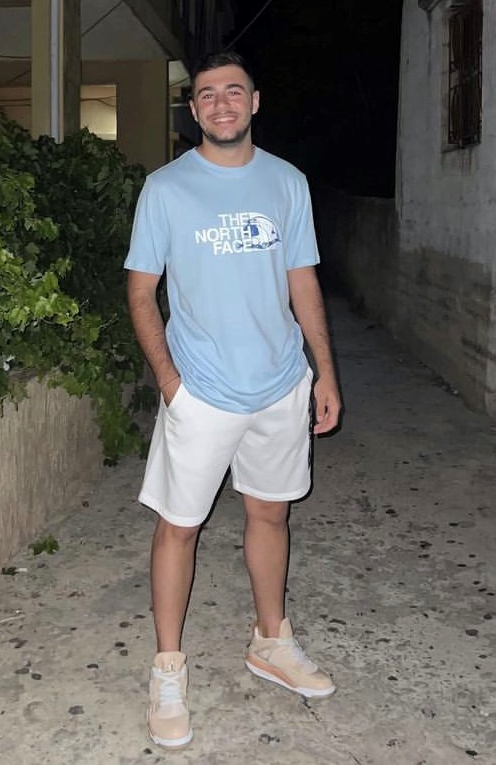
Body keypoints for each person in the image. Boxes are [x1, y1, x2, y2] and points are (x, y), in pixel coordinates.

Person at [124, 50, 342, 749]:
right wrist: (170, 383)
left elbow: (302, 280)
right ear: (194, 110)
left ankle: (270, 641)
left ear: (255, 101)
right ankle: (167, 669)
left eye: (234, 91)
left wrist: (324, 372)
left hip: (279, 384)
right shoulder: (166, 188)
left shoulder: (287, 182)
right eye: (208, 94)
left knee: (271, 514)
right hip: (203, 391)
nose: (222, 103)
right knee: (179, 527)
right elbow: (141, 291)